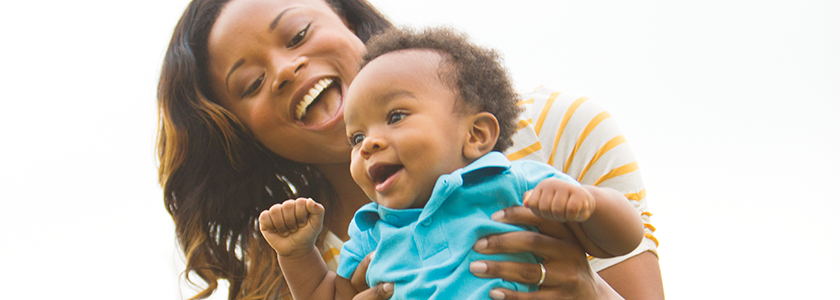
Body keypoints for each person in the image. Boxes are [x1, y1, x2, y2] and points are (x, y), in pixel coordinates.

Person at [157, 0, 664, 299]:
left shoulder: (551, 134)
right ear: (244, 131)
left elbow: (623, 236)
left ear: (347, 19)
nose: (286, 69)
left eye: (298, 34)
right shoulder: (303, 257)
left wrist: (592, 291)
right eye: (250, 83)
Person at [257, 27, 645, 300]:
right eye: (356, 138)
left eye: (395, 117)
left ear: (476, 135)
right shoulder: (372, 232)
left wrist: (588, 203)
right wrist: (296, 254)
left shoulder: (510, 182)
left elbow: (625, 237)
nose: (368, 144)